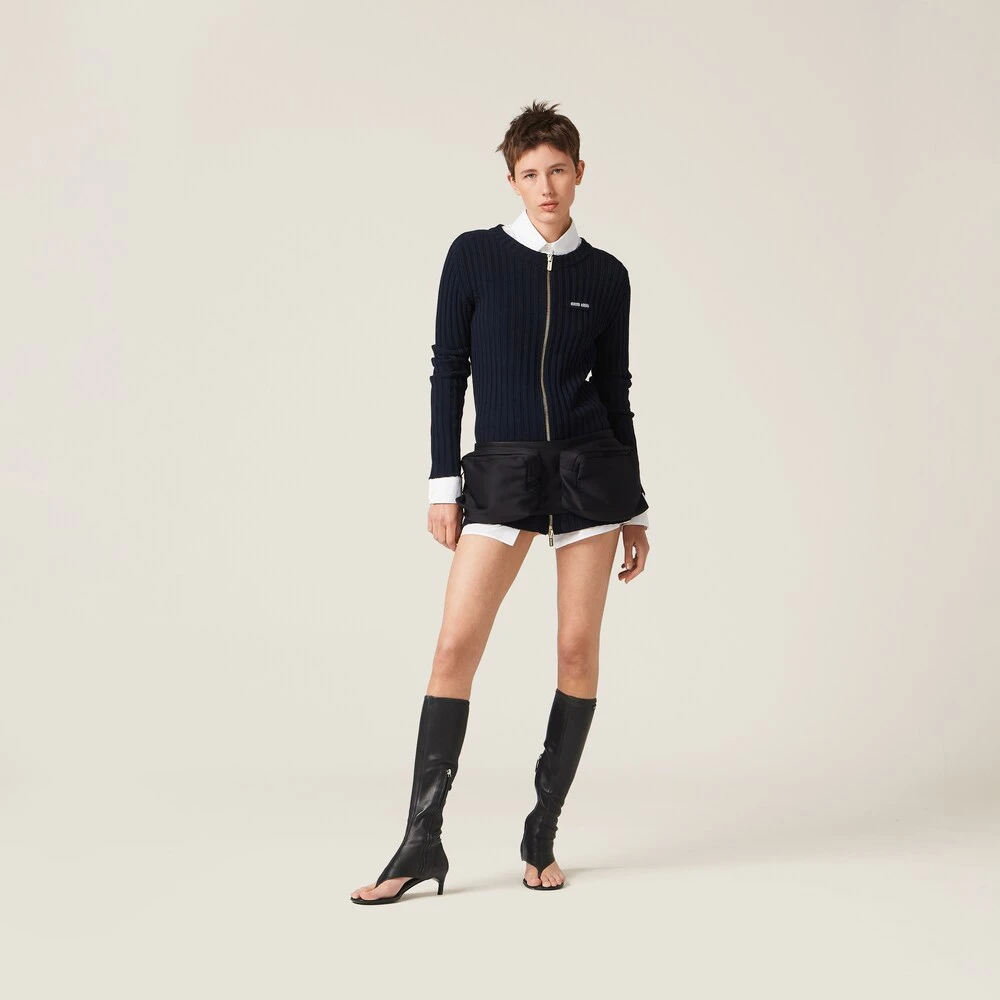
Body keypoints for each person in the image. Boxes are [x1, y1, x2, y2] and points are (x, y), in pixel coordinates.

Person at [350, 100, 650, 904]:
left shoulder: (607, 276)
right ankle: (421, 841)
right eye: (529, 173)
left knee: (577, 651)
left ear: (580, 174)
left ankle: (541, 832)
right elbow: (448, 369)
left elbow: (615, 391)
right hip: (504, 471)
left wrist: (635, 507)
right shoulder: (475, 256)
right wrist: (441, 484)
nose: (545, 187)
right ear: (512, 180)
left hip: (589, 474)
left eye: (558, 171)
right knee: (456, 645)